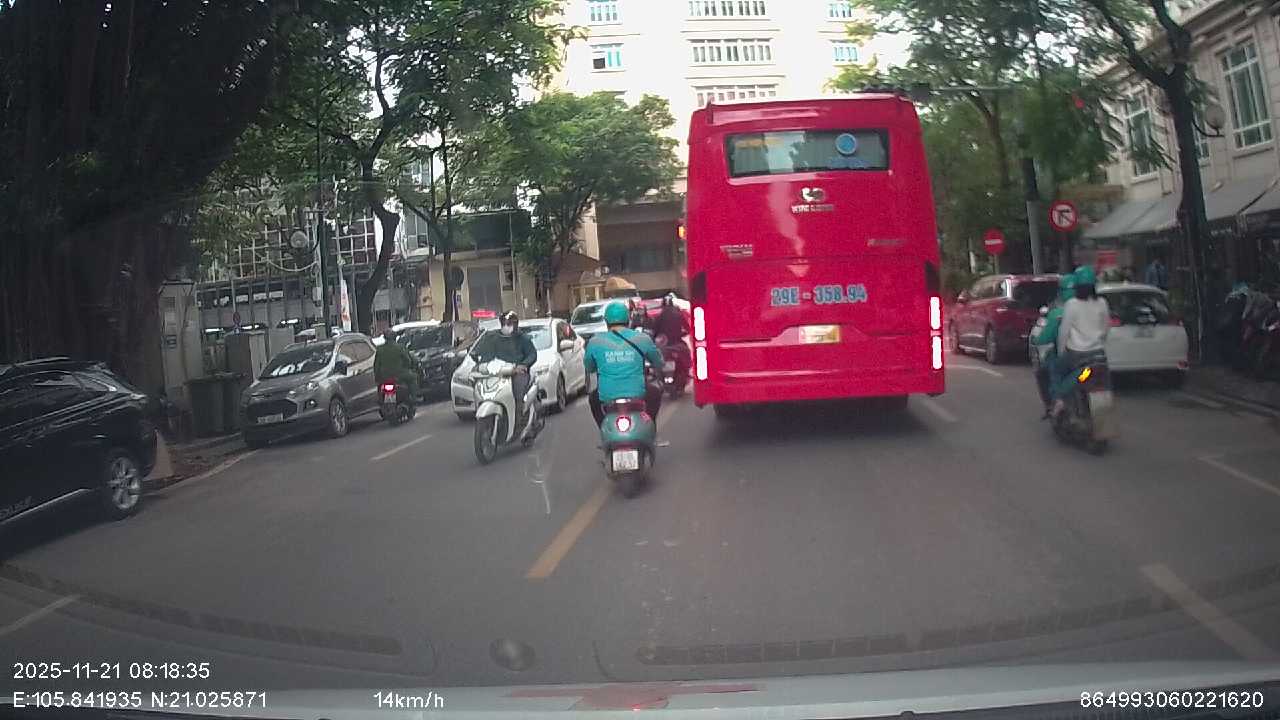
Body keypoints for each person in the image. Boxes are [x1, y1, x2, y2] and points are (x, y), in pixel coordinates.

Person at [584, 301, 665, 430]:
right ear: (628, 319)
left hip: (606, 396)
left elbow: (589, 367)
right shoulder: (642, 338)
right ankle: (650, 427)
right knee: (655, 393)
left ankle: (604, 428)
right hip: (638, 393)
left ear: (606, 321)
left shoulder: (595, 342)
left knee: (593, 399)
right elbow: (658, 362)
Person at [1052, 265, 1111, 417]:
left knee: (1056, 369)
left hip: (1077, 356)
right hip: (1099, 357)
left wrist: (1060, 352)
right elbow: (1106, 328)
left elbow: (1064, 332)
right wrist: (1099, 342)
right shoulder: (1102, 303)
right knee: (1094, 379)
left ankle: (1059, 399)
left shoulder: (1072, 305)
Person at [470, 311, 539, 430]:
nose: (507, 326)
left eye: (510, 323)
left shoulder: (523, 339)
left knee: (518, 392)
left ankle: (520, 418)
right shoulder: (493, 338)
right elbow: (482, 352)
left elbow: (532, 354)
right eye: (505, 323)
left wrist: (523, 365)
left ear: (516, 324)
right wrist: (479, 361)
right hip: (498, 374)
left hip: (517, 373)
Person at [1031, 274, 1075, 417]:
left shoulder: (1059, 313)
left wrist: (1037, 340)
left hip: (1071, 356)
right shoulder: (1098, 305)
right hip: (1095, 356)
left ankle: (1056, 401)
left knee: (1050, 370)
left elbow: (1045, 337)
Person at [374, 329, 421, 400]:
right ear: (395, 337)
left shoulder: (380, 349)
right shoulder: (400, 347)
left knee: (380, 386)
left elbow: (376, 365)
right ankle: (414, 397)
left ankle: (380, 399)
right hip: (400, 375)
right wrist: (408, 367)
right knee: (413, 377)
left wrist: (377, 377)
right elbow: (408, 361)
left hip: (385, 376)